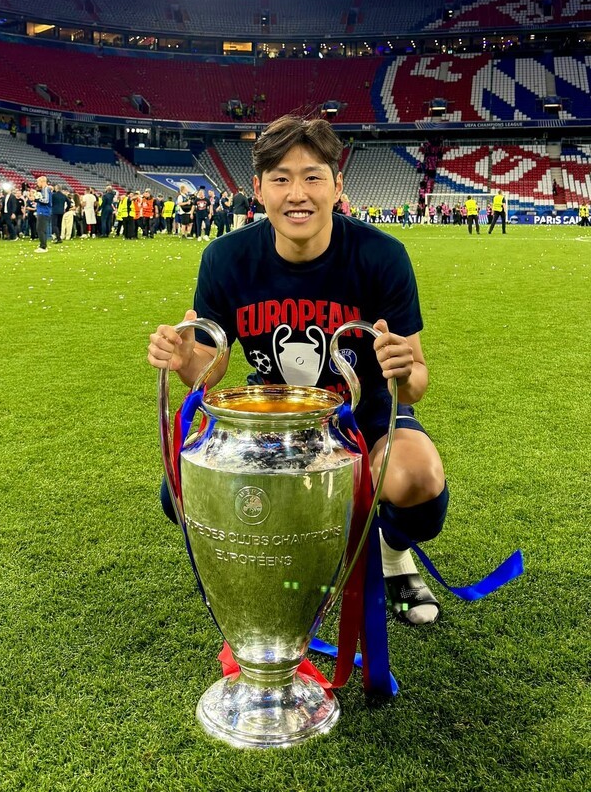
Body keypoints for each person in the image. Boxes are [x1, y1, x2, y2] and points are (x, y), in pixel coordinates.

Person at [147, 116, 448, 626]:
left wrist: (401, 369)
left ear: (337, 184)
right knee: (179, 490)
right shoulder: (226, 257)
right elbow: (209, 368)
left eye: (312, 176)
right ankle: (287, 558)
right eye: (281, 178)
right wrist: (184, 359)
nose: (297, 194)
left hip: (362, 413)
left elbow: (415, 382)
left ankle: (392, 553)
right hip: (275, 417)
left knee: (416, 477)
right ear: (259, 189)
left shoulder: (382, 255)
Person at [34, 176, 52, 253]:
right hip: (43, 211)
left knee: (40, 229)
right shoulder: (45, 189)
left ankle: (43, 247)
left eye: (38, 182)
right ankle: (43, 245)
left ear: (42, 181)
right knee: (40, 229)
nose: (37, 184)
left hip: (43, 211)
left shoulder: (45, 189)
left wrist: (37, 199)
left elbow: (46, 200)